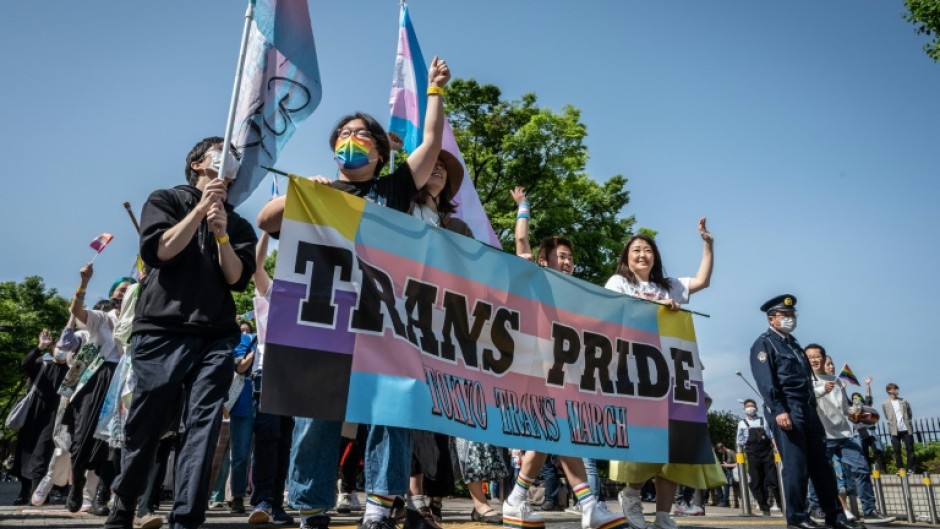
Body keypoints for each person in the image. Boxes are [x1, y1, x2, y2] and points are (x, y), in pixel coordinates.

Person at [257, 58, 451, 529]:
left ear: (381, 151)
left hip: (385, 323)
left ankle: (380, 507)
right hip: (326, 325)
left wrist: (435, 92)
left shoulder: (395, 189)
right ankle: (311, 509)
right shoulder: (317, 196)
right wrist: (305, 194)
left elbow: (429, 145)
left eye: (363, 133)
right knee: (315, 419)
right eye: (344, 132)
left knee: (390, 411)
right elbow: (266, 219)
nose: (351, 138)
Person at [103, 136, 258, 529]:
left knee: (203, 424)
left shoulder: (238, 223)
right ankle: (124, 503)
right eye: (220, 155)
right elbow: (161, 250)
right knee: (148, 420)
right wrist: (200, 212)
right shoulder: (165, 200)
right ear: (197, 165)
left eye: (234, 159)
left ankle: (187, 516)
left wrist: (222, 232)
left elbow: (236, 277)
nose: (230, 162)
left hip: (215, 335)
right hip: (161, 329)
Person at [501, 189, 627, 529]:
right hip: (537, 372)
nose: (568, 261)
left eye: (571, 257)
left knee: (552, 436)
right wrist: (523, 207)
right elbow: (522, 240)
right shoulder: (537, 277)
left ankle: (517, 500)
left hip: (564, 372)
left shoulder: (577, 295)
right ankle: (588, 505)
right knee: (560, 433)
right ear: (546, 261)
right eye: (561, 256)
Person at [604, 221, 720, 529]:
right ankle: (631, 494)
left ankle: (664, 514)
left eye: (648, 250)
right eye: (636, 250)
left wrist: (708, 245)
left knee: (676, 445)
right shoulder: (618, 283)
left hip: (676, 375)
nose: (642, 255)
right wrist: (655, 305)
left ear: (655, 256)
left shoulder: (669, 285)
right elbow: (614, 312)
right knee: (645, 439)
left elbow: (701, 280)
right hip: (637, 375)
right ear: (626, 257)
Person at [749, 294, 863, 529]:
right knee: (796, 466)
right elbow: (766, 382)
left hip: (807, 408)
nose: (790, 319)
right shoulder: (764, 344)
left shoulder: (794, 344)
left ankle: (836, 516)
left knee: (822, 465)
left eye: (792, 315)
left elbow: (807, 379)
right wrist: (779, 410)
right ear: (772, 319)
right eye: (785, 315)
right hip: (787, 408)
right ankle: (798, 518)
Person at [67, 267, 135, 516]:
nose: (124, 294)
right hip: (97, 378)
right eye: (120, 290)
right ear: (112, 293)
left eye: (129, 291)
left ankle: (101, 497)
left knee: (114, 443)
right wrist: (83, 282)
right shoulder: (102, 318)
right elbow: (75, 311)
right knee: (82, 437)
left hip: (124, 380)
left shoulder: (138, 320)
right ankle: (77, 484)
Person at [805, 345, 893, 524]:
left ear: (823, 358)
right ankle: (816, 508)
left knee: (861, 468)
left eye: (818, 357)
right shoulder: (807, 380)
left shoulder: (836, 381)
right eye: (810, 357)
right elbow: (807, 399)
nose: (814, 360)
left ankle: (869, 510)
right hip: (823, 435)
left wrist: (857, 412)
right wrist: (822, 390)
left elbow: (845, 408)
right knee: (819, 473)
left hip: (844, 434)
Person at [10, 329, 69, 505]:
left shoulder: (70, 369)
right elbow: (25, 364)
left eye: (65, 348)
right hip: (33, 413)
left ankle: (38, 493)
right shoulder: (42, 363)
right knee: (26, 452)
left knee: (42, 453)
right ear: (52, 348)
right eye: (58, 346)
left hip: (54, 415)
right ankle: (24, 491)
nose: (61, 350)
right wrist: (39, 347)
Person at [735, 399, 779, 516]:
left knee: (773, 481)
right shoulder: (742, 423)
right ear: (744, 409)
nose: (751, 408)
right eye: (748, 406)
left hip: (767, 454)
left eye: (753, 406)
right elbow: (739, 441)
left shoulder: (763, 420)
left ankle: (782, 504)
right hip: (752, 455)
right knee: (756, 483)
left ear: (756, 408)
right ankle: (764, 508)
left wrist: (774, 443)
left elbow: (771, 435)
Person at [852, 378, 886, 472]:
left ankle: (883, 470)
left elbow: (868, 396)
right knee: (863, 452)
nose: (855, 399)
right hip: (859, 432)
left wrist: (868, 385)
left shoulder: (866, 405)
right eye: (853, 398)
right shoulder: (852, 408)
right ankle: (868, 471)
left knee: (877, 450)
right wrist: (842, 388)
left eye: (857, 397)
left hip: (869, 430)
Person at [881, 383, 915, 474]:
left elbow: (909, 413)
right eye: (895, 389)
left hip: (906, 428)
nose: (897, 390)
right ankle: (900, 468)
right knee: (897, 450)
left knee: (910, 449)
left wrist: (907, 421)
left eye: (897, 389)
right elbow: (886, 415)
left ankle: (911, 468)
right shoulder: (885, 403)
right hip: (894, 430)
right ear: (889, 390)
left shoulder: (904, 401)